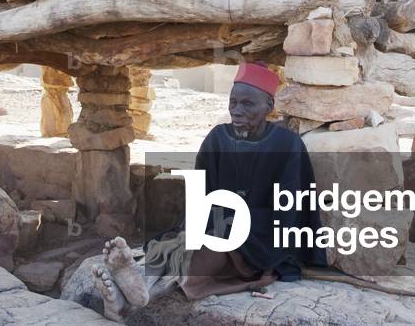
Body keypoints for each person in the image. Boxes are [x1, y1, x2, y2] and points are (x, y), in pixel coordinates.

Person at [90, 61, 324, 321]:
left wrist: (236, 219)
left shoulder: (288, 145)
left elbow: (291, 210)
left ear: (269, 107)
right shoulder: (218, 138)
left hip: (263, 235)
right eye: (233, 102)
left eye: (248, 104)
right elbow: (200, 193)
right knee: (189, 235)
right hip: (215, 224)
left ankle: (139, 285)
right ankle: (133, 290)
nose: (237, 110)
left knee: (214, 241)